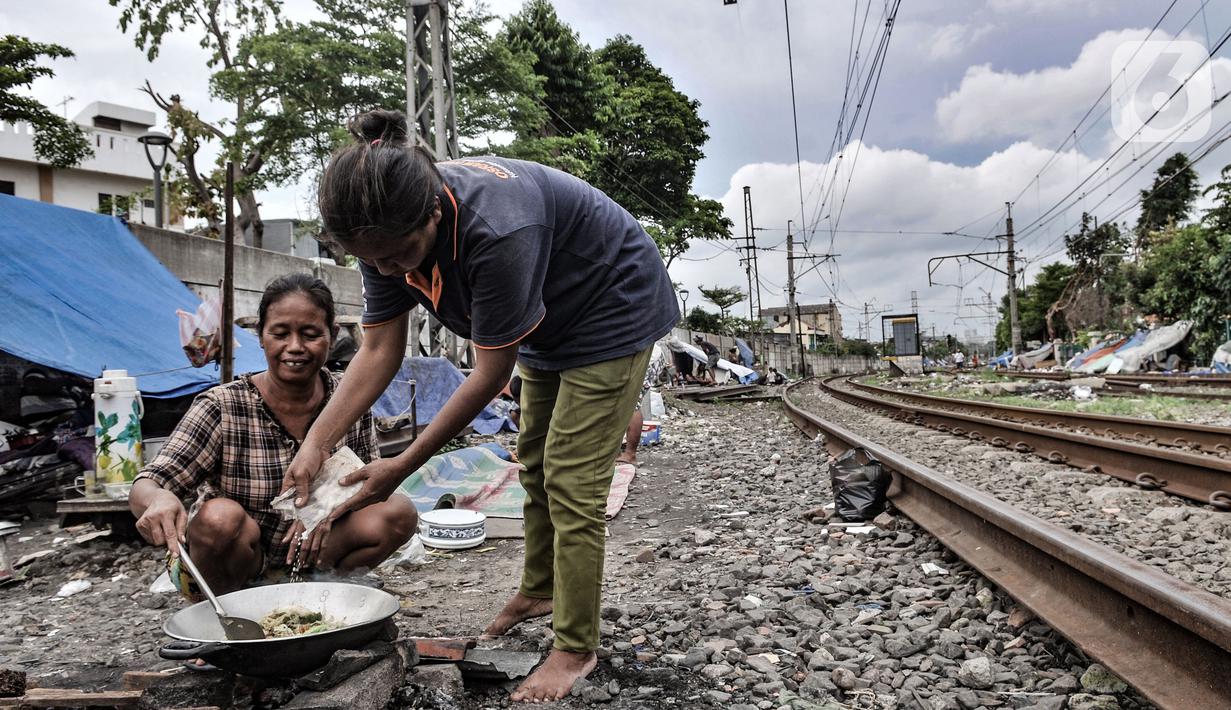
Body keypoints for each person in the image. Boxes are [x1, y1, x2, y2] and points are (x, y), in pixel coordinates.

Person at [283, 111, 678, 701]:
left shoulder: (497, 230)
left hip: (611, 303)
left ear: (435, 214)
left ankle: (574, 647)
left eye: (402, 255)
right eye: (378, 262)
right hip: (551, 316)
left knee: (573, 477)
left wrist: (402, 467)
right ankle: (542, 587)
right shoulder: (383, 230)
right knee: (536, 464)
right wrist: (316, 443)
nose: (395, 270)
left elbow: (490, 373)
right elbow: (379, 346)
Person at [130, 274, 417, 600]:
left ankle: (316, 603)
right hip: (235, 561)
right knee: (219, 519)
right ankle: (225, 626)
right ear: (261, 337)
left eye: (310, 335)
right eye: (280, 334)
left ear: (332, 336)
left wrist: (321, 513)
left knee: (397, 512)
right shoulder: (221, 406)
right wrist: (158, 499)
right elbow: (147, 483)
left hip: (312, 553)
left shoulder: (350, 398)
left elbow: (367, 487)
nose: (294, 347)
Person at [617, 345, 665, 467]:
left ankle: (630, 455)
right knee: (625, 403)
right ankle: (618, 453)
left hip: (645, 358)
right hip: (648, 354)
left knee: (632, 403)